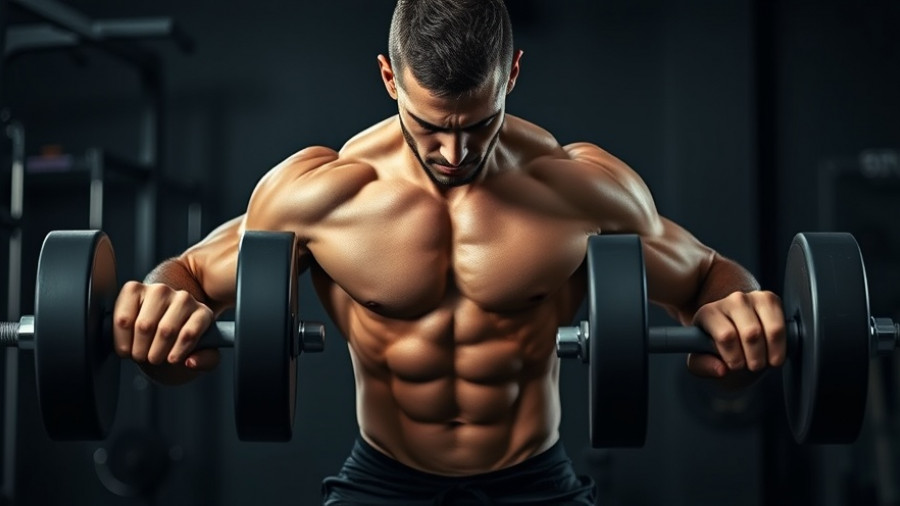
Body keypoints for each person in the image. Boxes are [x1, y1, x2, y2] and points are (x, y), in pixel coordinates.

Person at [113, 1, 786, 504]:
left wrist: (740, 329)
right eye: (429, 127)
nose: (453, 153)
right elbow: (192, 285)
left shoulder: (579, 188)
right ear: (388, 78)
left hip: (536, 480)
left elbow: (705, 280)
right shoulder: (322, 195)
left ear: (512, 74)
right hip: (384, 479)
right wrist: (159, 322)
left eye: (479, 124)